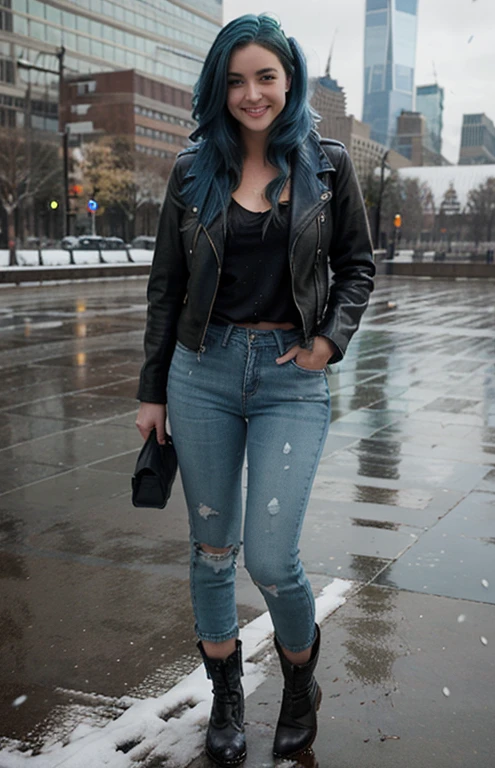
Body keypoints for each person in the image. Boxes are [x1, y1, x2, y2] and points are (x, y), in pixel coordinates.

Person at [136, 14, 375, 767]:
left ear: (290, 80)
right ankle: (227, 697)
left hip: (289, 377)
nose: (251, 93)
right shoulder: (191, 169)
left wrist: (329, 340)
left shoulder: (327, 164)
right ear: (219, 86)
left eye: (265, 76)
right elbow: (165, 289)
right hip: (200, 372)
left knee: (271, 559)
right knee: (212, 551)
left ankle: (300, 679)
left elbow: (357, 265)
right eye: (236, 79)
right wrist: (153, 393)